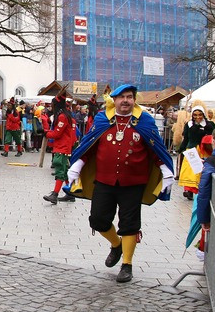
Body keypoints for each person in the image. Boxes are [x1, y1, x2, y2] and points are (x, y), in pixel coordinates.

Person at [67, 84, 175, 283]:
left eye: (130, 97)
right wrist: (77, 165)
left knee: (129, 224)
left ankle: (127, 264)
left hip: (133, 182)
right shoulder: (102, 119)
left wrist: (166, 170)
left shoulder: (144, 121)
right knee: (98, 219)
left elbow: (155, 149)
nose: (126, 100)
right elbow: (89, 146)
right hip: (105, 180)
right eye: (121, 97)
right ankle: (116, 245)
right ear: (113, 100)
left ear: (134, 100)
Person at [43, 94, 77, 205]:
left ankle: (55, 194)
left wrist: (47, 133)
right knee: (65, 170)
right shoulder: (66, 115)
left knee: (60, 169)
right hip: (64, 146)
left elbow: (57, 133)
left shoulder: (62, 116)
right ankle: (70, 193)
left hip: (62, 146)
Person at [177, 105, 215, 201]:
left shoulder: (209, 124)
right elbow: (186, 138)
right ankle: (188, 190)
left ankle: (200, 190)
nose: (197, 117)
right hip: (191, 150)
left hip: (204, 150)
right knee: (190, 170)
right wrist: (181, 149)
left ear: (203, 114)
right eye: (195, 115)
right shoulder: (189, 124)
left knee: (201, 170)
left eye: (200, 115)